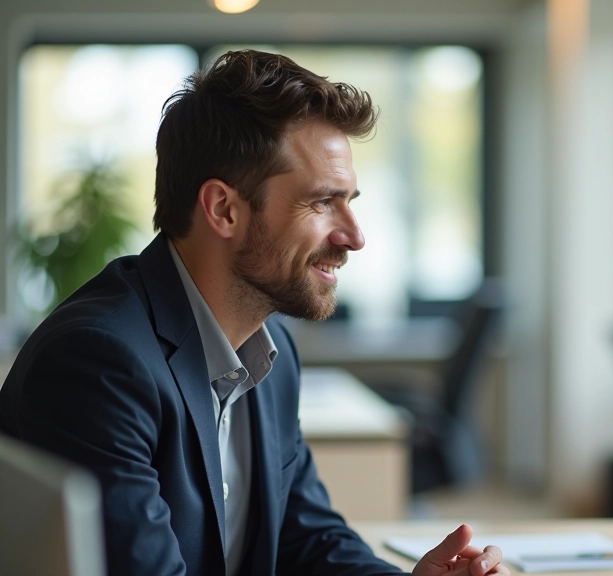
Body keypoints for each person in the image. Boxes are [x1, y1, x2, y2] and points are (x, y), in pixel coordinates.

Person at [0, 50, 510, 576]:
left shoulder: (271, 350)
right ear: (223, 209)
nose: (355, 236)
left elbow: (305, 536)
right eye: (320, 203)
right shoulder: (98, 363)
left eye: (350, 200)